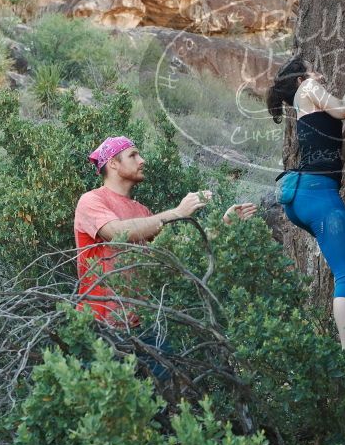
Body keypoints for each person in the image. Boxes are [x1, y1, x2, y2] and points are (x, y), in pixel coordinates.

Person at [267, 58, 345, 381]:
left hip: (303, 198)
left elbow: (333, 128)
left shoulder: (302, 103)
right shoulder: (309, 88)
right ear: (300, 79)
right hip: (319, 195)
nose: (318, 74)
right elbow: (341, 111)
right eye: (312, 70)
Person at [74, 135, 257, 326]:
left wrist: (223, 224)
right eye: (133, 155)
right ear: (113, 163)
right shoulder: (91, 200)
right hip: (98, 324)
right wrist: (177, 212)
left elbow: (177, 247)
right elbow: (117, 232)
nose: (142, 160)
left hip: (142, 324)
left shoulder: (141, 211)